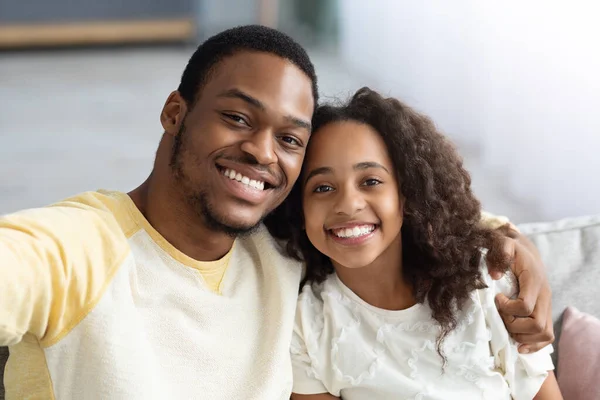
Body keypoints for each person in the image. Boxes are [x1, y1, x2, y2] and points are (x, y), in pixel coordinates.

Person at [0, 26, 552, 399]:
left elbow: (398, 214)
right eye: (238, 118)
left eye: (289, 138)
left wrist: (504, 241)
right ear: (175, 113)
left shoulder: (279, 252)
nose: (264, 153)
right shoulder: (78, 249)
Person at [284, 88, 562, 399]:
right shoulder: (304, 326)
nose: (348, 204)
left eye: (371, 181)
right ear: (299, 207)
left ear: (406, 193)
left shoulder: (485, 281)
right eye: (322, 187)